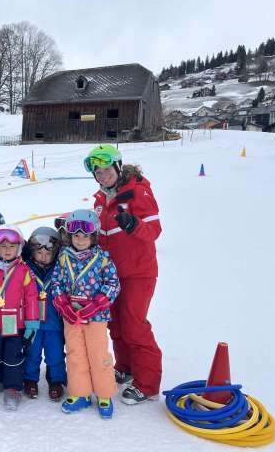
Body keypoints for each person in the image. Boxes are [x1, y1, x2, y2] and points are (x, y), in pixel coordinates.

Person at [84, 145, 163, 405]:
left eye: (106, 169)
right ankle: (126, 367)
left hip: (138, 272)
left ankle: (147, 384)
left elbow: (154, 230)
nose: (102, 175)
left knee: (134, 326)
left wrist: (133, 224)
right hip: (111, 275)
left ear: (118, 167)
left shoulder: (138, 191)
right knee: (116, 325)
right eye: (97, 172)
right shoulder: (100, 198)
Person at [51, 210, 120, 419]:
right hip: (72, 316)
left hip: (95, 317)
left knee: (98, 354)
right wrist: (63, 305)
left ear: (94, 236)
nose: (80, 240)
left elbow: (113, 284)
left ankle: (104, 394)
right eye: (76, 235)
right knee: (75, 354)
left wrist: (97, 304)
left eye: (85, 236)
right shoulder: (64, 257)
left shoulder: (102, 258)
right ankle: (80, 393)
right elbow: (56, 282)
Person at [0, 225, 39, 411]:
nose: (7, 250)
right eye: (2, 247)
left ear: (19, 248)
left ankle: (13, 387)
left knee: (13, 356)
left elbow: (32, 298)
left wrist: (31, 324)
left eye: (12, 247)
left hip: (15, 324)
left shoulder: (24, 271)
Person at [21, 227, 67, 401]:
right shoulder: (25, 269)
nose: (43, 257)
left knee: (55, 354)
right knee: (32, 353)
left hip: (54, 323)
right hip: (33, 323)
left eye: (48, 254)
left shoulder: (61, 269)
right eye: (39, 253)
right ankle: (30, 379)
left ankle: (56, 380)